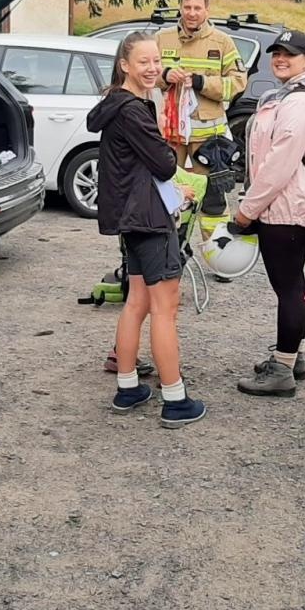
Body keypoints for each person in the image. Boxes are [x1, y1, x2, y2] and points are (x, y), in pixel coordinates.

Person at [86, 31, 206, 429]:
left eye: (157, 60)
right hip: (150, 219)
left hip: (131, 219)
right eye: (144, 62)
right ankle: (175, 398)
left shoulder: (116, 104)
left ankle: (127, 387)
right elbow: (164, 164)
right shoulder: (133, 110)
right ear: (125, 65)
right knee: (164, 309)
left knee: (136, 302)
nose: (153, 68)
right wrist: (177, 182)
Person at [230, 31, 305, 396]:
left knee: (290, 287)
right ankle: (293, 356)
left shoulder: (300, 103)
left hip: (286, 206)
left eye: (290, 54)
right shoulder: (288, 96)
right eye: (276, 52)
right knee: (290, 283)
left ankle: (282, 369)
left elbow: (279, 164)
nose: (280, 58)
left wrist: (247, 210)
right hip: (283, 203)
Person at [157, 0, 247, 238]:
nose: (192, 13)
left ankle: (217, 252)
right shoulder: (162, 38)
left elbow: (238, 83)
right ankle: (173, 250)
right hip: (171, 137)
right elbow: (146, 74)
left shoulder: (222, 42)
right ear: (180, 7)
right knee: (170, 193)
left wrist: (201, 82)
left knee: (213, 201)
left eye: (197, 8)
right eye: (187, 7)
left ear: (207, 10)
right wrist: (165, 75)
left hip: (208, 142)